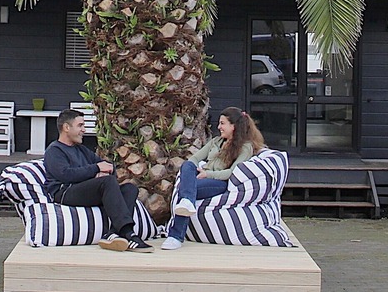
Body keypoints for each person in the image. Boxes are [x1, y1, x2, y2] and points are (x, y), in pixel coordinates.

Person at [43, 108, 153, 252]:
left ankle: (113, 233)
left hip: (84, 189)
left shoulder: (80, 149)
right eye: (80, 125)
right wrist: (96, 170)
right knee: (107, 181)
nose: (84, 129)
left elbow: (108, 167)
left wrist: (102, 171)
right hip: (65, 193)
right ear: (66, 128)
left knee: (129, 188)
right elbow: (65, 175)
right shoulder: (54, 150)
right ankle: (128, 233)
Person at [160, 106, 265, 250]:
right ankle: (186, 202)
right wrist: (197, 170)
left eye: (222, 123)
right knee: (187, 166)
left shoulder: (245, 147)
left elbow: (232, 172)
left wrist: (208, 174)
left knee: (189, 189)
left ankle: (175, 237)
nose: (219, 127)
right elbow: (195, 159)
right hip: (202, 176)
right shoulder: (216, 141)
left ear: (233, 126)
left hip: (219, 182)